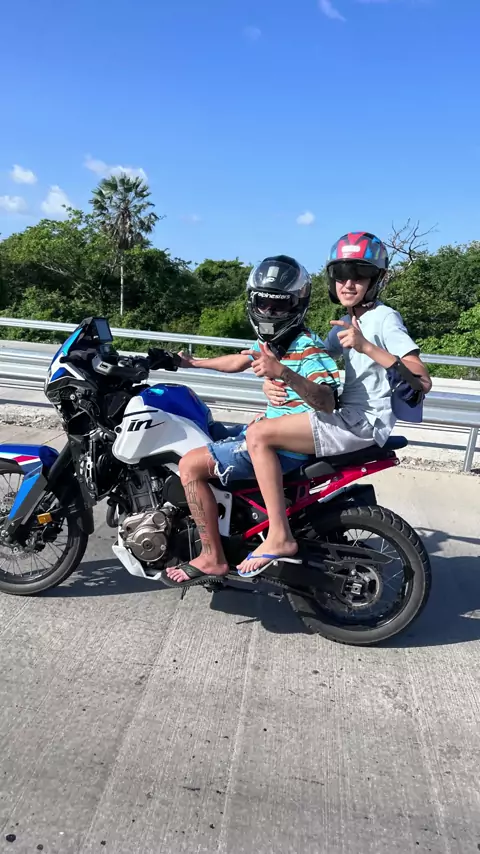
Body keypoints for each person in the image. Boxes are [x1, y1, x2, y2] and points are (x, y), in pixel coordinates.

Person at [237, 231, 432, 576]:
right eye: (341, 274)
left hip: (362, 421)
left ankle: (279, 536)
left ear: (376, 280)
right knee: (258, 427)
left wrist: (366, 346)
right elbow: (307, 359)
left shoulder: (384, 318)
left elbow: (421, 379)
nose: (348, 283)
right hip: (349, 415)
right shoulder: (347, 321)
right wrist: (272, 382)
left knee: (260, 436)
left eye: (359, 274)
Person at [164, 255, 341, 587]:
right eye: (263, 303)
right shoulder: (276, 343)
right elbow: (240, 360)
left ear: (297, 304)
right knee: (213, 433)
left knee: (189, 465)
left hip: (285, 448)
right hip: (276, 437)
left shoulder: (307, 349)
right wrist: (193, 363)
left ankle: (212, 557)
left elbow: (327, 400)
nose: (270, 312)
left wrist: (282, 373)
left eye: (279, 305)